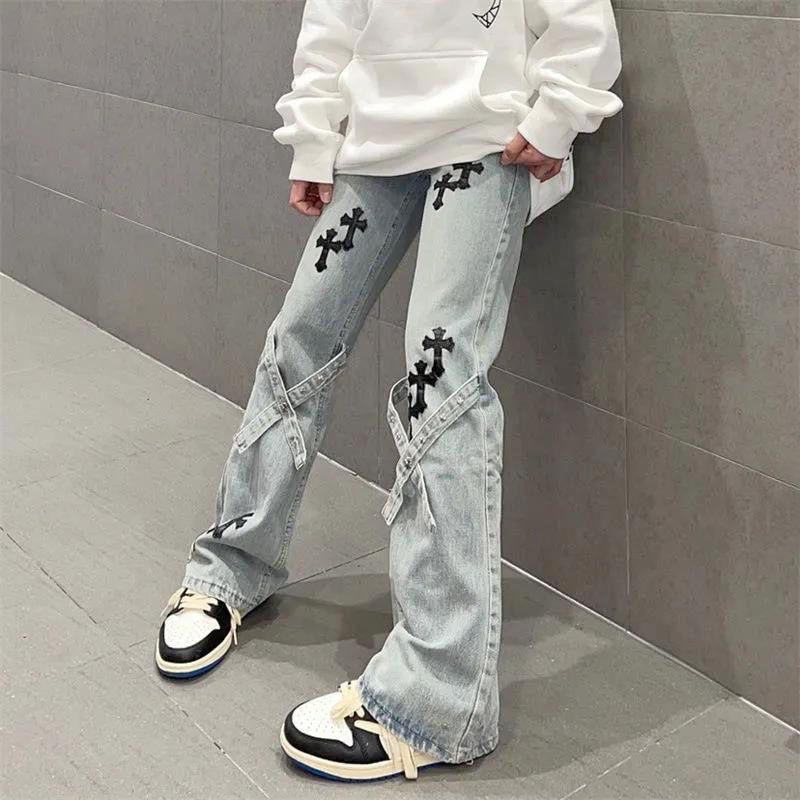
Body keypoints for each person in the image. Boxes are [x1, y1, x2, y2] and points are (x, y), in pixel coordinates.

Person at [155, 0, 622, 783]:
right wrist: (314, 134)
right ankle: (230, 567)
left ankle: (437, 701)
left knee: (441, 380)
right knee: (299, 336)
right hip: (377, 147)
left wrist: (558, 113)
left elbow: (580, 15)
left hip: (486, 144)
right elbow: (333, 17)